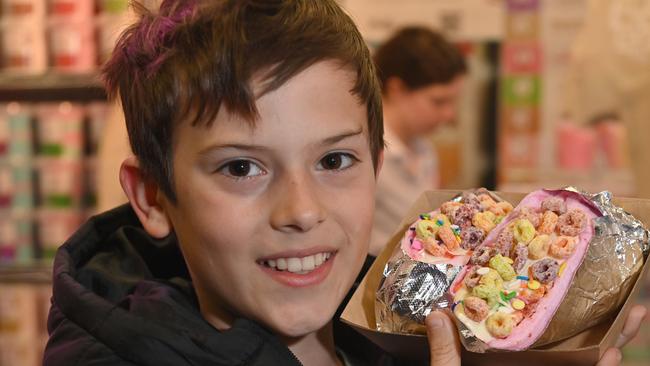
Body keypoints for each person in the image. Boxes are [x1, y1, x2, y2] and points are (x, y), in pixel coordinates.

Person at [41, 1, 643, 365]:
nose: (302, 211)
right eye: (240, 168)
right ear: (151, 197)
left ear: (376, 165)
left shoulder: (391, 338)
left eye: (334, 162)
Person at [369, 27, 467, 256]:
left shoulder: (424, 149)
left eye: (453, 102)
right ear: (397, 89)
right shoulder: (365, 153)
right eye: (438, 101)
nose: (449, 115)